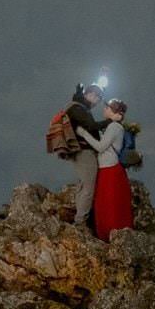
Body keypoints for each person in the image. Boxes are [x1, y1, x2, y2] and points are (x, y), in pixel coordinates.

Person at [76, 98, 135, 241]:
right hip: (108, 168)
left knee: (108, 203)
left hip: (109, 170)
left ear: (113, 111)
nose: (104, 110)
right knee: (109, 202)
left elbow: (101, 147)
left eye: (107, 108)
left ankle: (109, 233)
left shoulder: (114, 127)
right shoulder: (114, 127)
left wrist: (84, 134)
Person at [64, 83, 105, 227]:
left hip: (78, 150)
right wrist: (111, 122)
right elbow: (92, 126)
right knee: (88, 186)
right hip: (84, 151)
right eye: (98, 97)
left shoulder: (78, 107)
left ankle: (79, 217)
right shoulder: (78, 109)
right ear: (90, 94)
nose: (98, 101)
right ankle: (80, 221)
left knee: (83, 184)